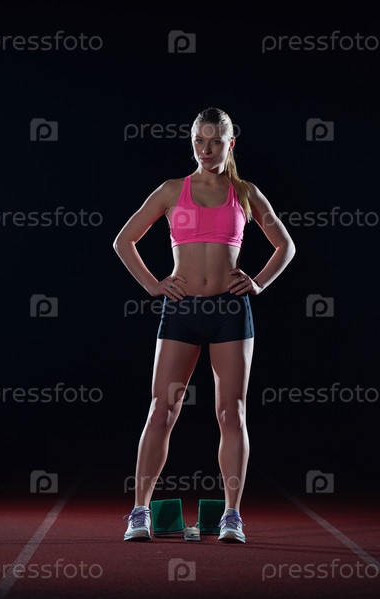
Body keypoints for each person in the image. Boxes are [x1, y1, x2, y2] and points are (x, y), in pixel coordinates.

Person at [113, 106, 296, 543]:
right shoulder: (172, 190)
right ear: (192, 142)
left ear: (230, 144)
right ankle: (140, 512)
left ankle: (232, 515)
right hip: (181, 310)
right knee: (162, 409)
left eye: (215, 141)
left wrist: (258, 282)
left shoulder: (245, 193)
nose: (206, 149)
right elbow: (124, 240)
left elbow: (285, 246)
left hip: (230, 312)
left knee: (232, 413)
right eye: (199, 140)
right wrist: (153, 285)